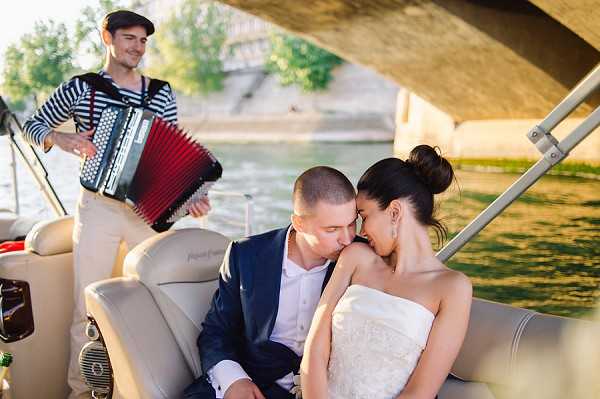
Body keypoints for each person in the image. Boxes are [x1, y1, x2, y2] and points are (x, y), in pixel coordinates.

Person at [22, 10, 210, 398]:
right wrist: (65, 140)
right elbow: (33, 126)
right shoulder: (81, 88)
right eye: (129, 38)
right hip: (98, 209)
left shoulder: (161, 92)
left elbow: (170, 154)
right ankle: (81, 392)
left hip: (144, 211)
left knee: (151, 302)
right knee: (86, 306)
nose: (137, 48)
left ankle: (135, 390)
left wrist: (192, 194)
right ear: (107, 37)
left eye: (142, 41)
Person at [301, 145, 473, 399]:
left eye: (364, 216)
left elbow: (420, 392)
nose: (360, 231)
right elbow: (315, 349)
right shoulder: (355, 258)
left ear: (394, 212)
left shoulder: (453, 288)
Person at [185, 166, 364, 399]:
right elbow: (217, 331)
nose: (347, 238)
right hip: (252, 380)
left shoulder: (363, 258)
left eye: (352, 224)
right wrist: (234, 380)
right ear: (299, 223)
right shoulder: (245, 255)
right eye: (332, 229)